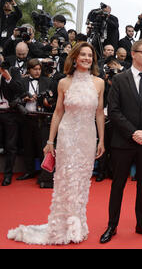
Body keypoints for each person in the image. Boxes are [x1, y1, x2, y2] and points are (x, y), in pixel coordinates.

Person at [7, 42, 105, 244]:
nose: (87, 58)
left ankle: (77, 223)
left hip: (88, 137)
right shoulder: (63, 83)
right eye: (83, 55)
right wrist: (50, 141)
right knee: (66, 181)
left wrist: (101, 139)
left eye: (90, 55)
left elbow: (99, 113)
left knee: (82, 183)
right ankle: (63, 225)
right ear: (75, 58)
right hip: (67, 136)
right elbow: (58, 112)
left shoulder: (99, 83)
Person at [100, 40, 142, 244]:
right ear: (133, 54)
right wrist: (133, 132)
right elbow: (114, 110)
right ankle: (112, 225)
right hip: (123, 142)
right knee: (118, 184)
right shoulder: (120, 79)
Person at [16, 59, 52, 181]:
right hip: (26, 117)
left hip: (41, 118)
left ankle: (44, 173)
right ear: (29, 70)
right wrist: (24, 99)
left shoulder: (47, 81)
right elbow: (16, 98)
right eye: (34, 69)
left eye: (39, 69)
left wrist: (44, 100)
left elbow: (51, 100)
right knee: (27, 145)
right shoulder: (22, 82)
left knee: (42, 145)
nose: (37, 72)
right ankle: (29, 171)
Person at [0, 55, 22, 186]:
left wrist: (8, 78)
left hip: (9, 113)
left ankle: (8, 175)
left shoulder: (13, 71)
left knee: (10, 145)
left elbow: (20, 89)